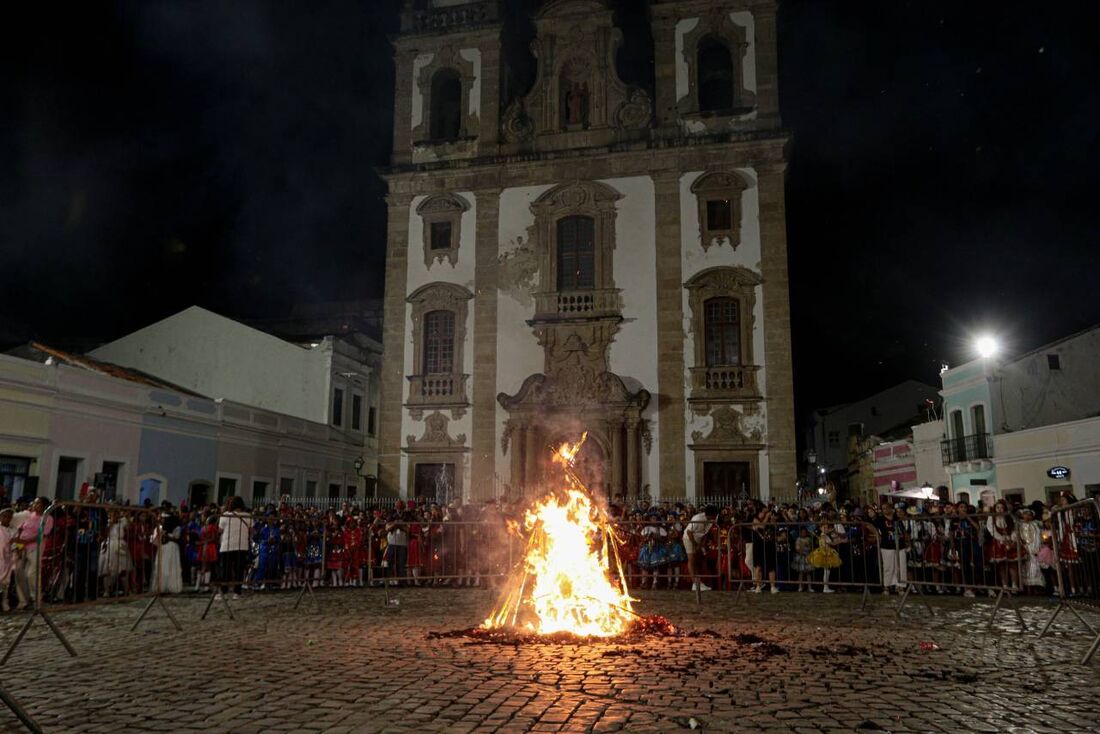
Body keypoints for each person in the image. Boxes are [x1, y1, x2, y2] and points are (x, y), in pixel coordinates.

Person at [13, 497, 54, 610]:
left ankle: (36, 598)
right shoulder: (29, 515)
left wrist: (26, 541)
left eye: (38, 503)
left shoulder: (47, 518)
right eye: (34, 503)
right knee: (19, 572)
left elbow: (42, 534)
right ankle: (23, 600)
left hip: (35, 546)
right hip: (22, 547)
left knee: (31, 573)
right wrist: (19, 545)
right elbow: (21, 528)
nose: (35, 505)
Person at [217, 496, 253, 600]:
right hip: (242, 545)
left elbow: (220, 530)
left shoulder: (225, 516)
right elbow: (251, 530)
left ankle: (224, 591)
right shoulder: (248, 516)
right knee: (239, 570)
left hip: (227, 545)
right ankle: (237, 592)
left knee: (226, 570)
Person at [683, 505, 717, 592]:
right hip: (689, 538)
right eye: (713, 516)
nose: (714, 517)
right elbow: (689, 532)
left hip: (699, 539)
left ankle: (699, 582)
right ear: (709, 515)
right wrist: (695, 544)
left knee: (697, 561)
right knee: (691, 559)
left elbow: (705, 533)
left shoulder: (711, 520)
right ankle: (694, 583)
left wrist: (701, 545)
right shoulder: (697, 518)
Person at [197, 514, 219, 592]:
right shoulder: (213, 527)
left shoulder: (203, 528)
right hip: (210, 547)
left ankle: (198, 585)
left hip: (202, 546)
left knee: (201, 566)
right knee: (208, 566)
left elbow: (200, 537)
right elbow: (214, 538)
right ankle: (206, 586)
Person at [0, 508, 15, 611]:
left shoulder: (12, 530)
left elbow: (15, 543)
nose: (6, 518)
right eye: (4, 516)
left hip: (6, 559)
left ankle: (4, 601)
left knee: (5, 582)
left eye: (9, 517)